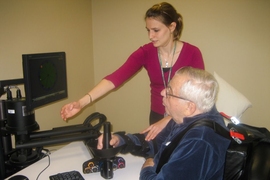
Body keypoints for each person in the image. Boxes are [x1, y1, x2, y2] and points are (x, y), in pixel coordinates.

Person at [60, 2, 204, 140]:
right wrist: (81, 103)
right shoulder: (146, 52)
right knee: (157, 157)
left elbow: (198, 94)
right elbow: (115, 78)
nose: (150, 36)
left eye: (156, 30)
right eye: (148, 30)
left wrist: (169, 119)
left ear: (172, 27)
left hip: (184, 116)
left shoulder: (192, 53)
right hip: (157, 116)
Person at [97, 67, 231, 180]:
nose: (162, 93)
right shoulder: (186, 119)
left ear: (189, 107)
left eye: (169, 92)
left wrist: (147, 168)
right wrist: (121, 140)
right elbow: (153, 142)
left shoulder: (199, 141)